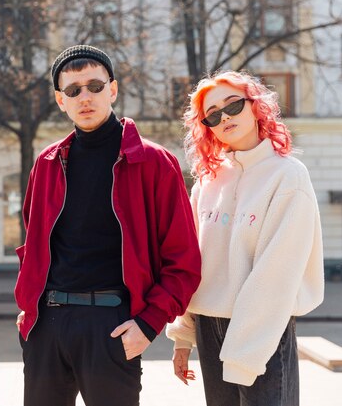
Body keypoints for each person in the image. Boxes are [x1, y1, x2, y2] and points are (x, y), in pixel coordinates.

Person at [14, 44, 202, 406]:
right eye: (73, 90)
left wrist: (148, 325)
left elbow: (184, 261)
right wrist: (29, 312)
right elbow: (33, 244)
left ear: (112, 90)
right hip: (47, 328)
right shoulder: (48, 163)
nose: (84, 97)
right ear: (60, 100)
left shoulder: (153, 162)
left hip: (112, 325)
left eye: (94, 86)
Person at [166, 70, 324, 406]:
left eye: (233, 105)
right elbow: (192, 261)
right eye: (213, 114)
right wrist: (183, 336)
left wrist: (243, 356)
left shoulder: (288, 176)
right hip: (210, 327)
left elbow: (276, 274)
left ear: (255, 106)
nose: (224, 117)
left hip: (265, 327)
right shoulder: (207, 182)